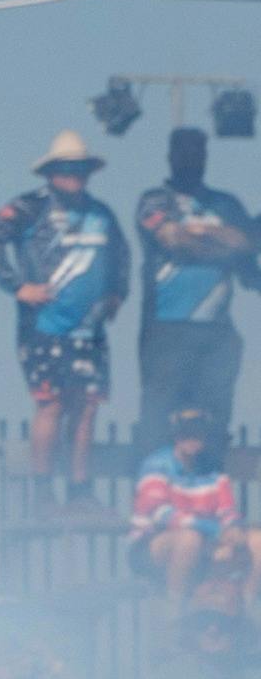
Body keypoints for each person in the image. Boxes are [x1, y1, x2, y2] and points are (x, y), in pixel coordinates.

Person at [0, 131, 136, 486]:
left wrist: (117, 293)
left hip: (91, 330)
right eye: (65, 168)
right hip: (44, 327)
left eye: (79, 168)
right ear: (50, 172)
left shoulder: (102, 212)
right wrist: (17, 286)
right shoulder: (29, 207)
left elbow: (122, 254)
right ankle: (43, 490)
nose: (73, 175)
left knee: (87, 408)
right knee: (51, 404)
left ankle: (80, 489)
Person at [136, 125, 255, 447]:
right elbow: (172, 240)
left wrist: (200, 237)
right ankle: (152, 484)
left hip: (216, 329)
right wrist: (224, 241)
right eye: (184, 152)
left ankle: (209, 484)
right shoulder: (154, 200)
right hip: (166, 327)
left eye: (198, 152)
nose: (191, 159)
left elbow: (247, 245)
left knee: (215, 414)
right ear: (170, 157)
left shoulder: (226, 203)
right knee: (158, 414)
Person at [134, 413, 253, 607]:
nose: (192, 438)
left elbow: (227, 511)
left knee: (255, 542)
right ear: (176, 435)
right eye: (186, 432)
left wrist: (233, 528)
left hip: (204, 542)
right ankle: (174, 611)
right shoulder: (156, 463)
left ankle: (242, 612)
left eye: (198, 433)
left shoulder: (213, 471)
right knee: (189, 539)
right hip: (150, 545)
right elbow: (159, 514)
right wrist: (212, 530)